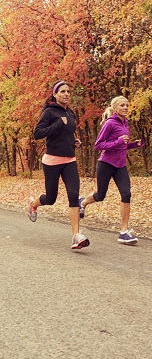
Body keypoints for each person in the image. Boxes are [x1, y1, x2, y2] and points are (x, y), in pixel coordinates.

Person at [28, 80, 90, 250]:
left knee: (73, 195)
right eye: (62, 91)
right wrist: (57, 124)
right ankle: (33, 204)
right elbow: (38, 133)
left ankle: (76, 236)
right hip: (52, 161)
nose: (66, 94)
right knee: (51, 198)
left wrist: (74, 141)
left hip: (69, 159)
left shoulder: (71, 114)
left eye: (68, 91)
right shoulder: (49, 112)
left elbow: (67, 133)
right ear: (55, 94)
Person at [79, 95, 144, 245]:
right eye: (122, 105)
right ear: (115, 108)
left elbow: (123, 145)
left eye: (127, 105)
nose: (126, 108)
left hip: (120, 166)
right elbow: (98, 145)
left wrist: (134, 144)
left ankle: (124, 232)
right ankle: (82, 203)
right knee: (100, 195)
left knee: (126, 194)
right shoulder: (109, 124)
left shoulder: (126, 124)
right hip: (106, 164)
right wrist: (118, 141)